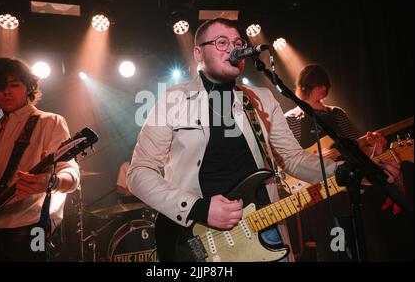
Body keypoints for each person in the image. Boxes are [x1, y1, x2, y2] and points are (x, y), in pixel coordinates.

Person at [126, 18, 360, 262]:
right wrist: (198, 208)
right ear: (198, 53)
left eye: (237, 42)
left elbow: (292, 158)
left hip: (264, 232)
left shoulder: (261, 99)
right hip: (198, 239)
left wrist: (346, 171)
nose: (232, 47)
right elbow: (139, 173)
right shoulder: (173, 100)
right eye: (221, 42)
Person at [284, 64, 403, 261]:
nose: (323, 88)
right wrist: (316, 159)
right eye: (317, 84)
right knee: (332, 249)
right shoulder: (291, 118)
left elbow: (359, 150)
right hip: (317, 192)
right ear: (306, 85)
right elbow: (290, 157)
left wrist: (376, 149)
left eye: (325, 84)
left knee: (365, 243)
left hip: (350, 185)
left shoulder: (337, 113)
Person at [0, 57, 80, 261]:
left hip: (29, 231)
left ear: (28, 87)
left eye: (15, 85)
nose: (7, 92)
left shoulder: (49, 122)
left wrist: (51, 182)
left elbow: (70, 171)